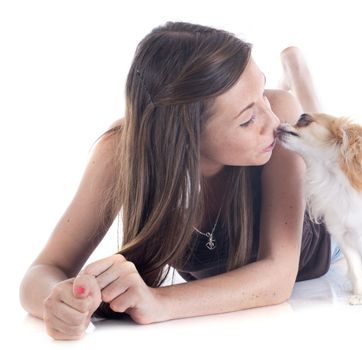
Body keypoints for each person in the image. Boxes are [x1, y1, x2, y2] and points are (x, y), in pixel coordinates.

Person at [19, 21, 339, 340]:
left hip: (329, 234)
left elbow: (278, 278)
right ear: (187, 139)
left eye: (262, 94)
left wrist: (158, 302)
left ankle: (298, 77)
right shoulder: (122, 152)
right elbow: (40, 274)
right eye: (247, 120)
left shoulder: (282, 120)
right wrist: (62, 300)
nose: (272, 121)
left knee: (329, 151)